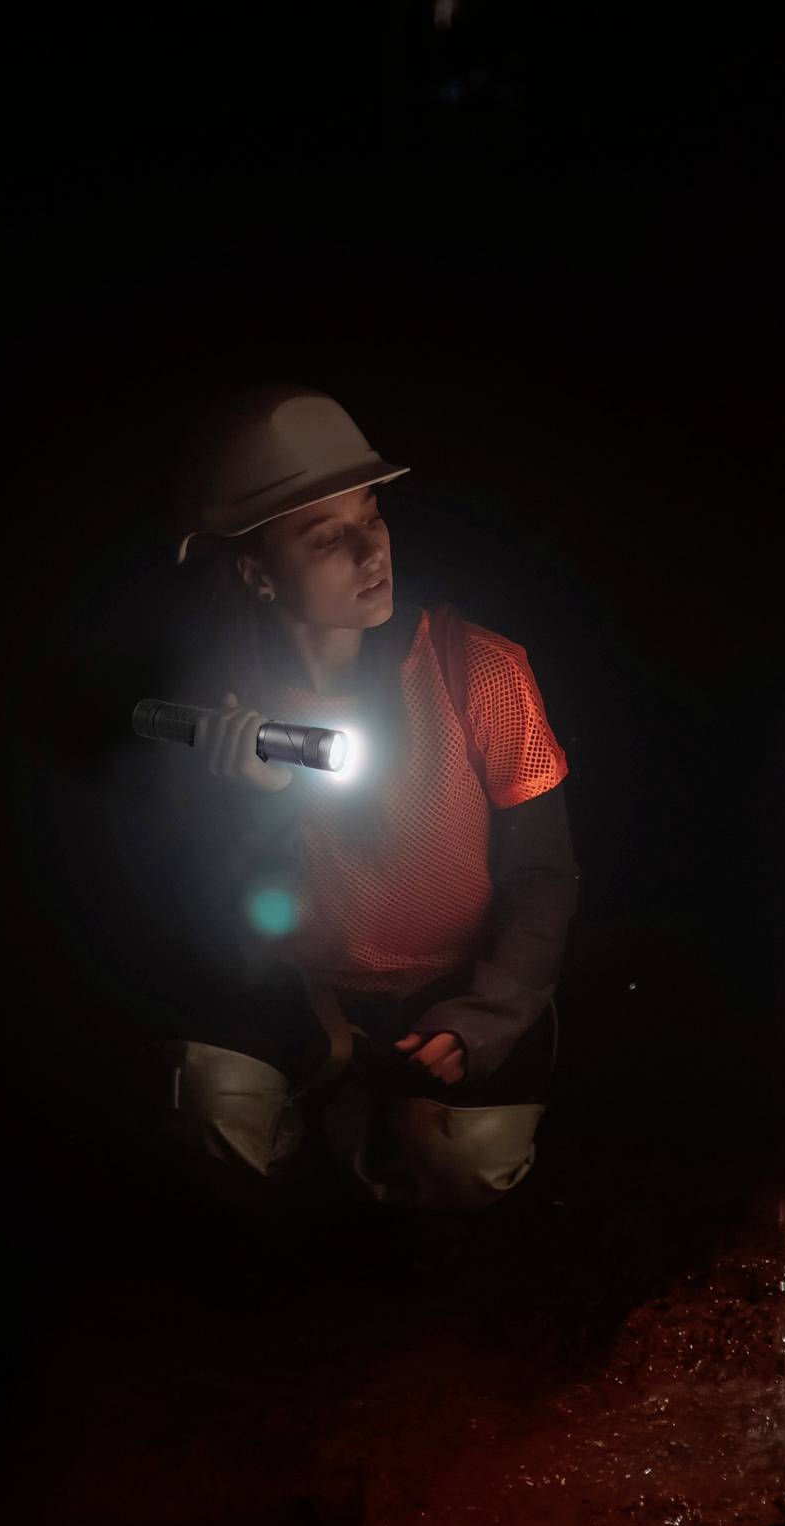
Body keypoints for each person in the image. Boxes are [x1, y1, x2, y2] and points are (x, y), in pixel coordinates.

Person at [157, 384, 580, 1214]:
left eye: (372, 515)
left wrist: (483, 1018)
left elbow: (545, 879)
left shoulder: (479, 670)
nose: (370, 552)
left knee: (465, 1162)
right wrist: (255, 803)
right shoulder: (226, 714)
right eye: (326, 539)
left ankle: (380, 1145)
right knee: (210, 1108)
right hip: (306, 991)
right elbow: (232, 932)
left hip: (449, 989)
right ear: (257, 571)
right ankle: (317, 1155)